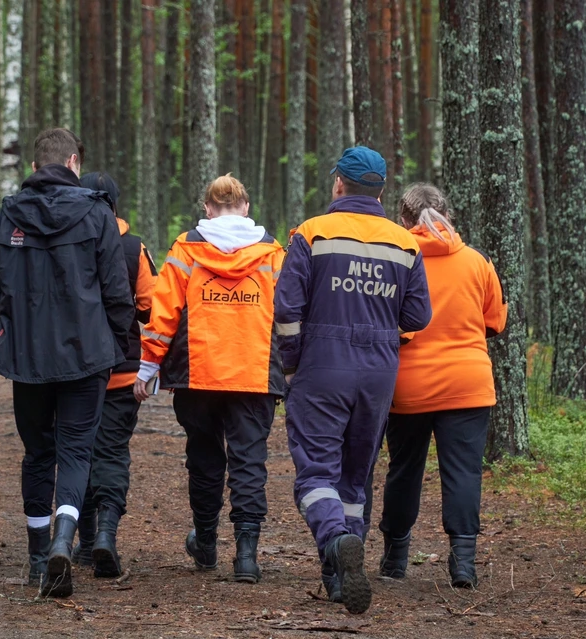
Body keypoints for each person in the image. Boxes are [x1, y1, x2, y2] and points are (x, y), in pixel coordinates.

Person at [274, 147, 433, 614]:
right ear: (381, 192)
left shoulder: (311, 233)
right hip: (379, 371)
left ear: (338, 185)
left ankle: (335, 542)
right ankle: (341, 576)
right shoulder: (405, 243)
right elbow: (418, 315)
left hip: (321, 366)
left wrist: (291, 362)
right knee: (355, 476)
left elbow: (287, 310)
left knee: (315, 474)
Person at [0, 129, 134, 597]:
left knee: (37, 454)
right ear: (73, 162)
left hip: (27, 360)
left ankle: (35, 556)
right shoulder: (97, 214)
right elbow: (116, 293)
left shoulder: (6, 216)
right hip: (86, 359)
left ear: (33, 167)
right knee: (75, 453)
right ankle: (63, 540)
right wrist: (112, 347)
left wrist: (3, 337)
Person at [133, 174, 285, 584]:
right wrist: (292, 366)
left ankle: (205, 543)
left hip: (198, 373)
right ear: (246, 207)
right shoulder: (272, 253)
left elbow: (162, 313)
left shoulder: (187, 248)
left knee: (204, 458)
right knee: (249, 461)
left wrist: (148, 366)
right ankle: (247, 555)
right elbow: (288, 315)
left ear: (208, 208)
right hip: (253, 372)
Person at [375, 183, 506, 589]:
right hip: (468, 383)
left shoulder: (396, 261)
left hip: (408, 386)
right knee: (464, 472)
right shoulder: (476, 262)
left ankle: (395, 558)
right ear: (448, 215)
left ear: (404, 220)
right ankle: (463, 564)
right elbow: (495, 322)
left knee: (404, 470)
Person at [70, 171, 157, 578]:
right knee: (111, 452)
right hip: (122, 371)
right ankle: (106, 534)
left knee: (76, 452)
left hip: (73, 371)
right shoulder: (133, 247)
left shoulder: (67, 240)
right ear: (117, 204)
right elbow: (148, 308)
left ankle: (85, 545)